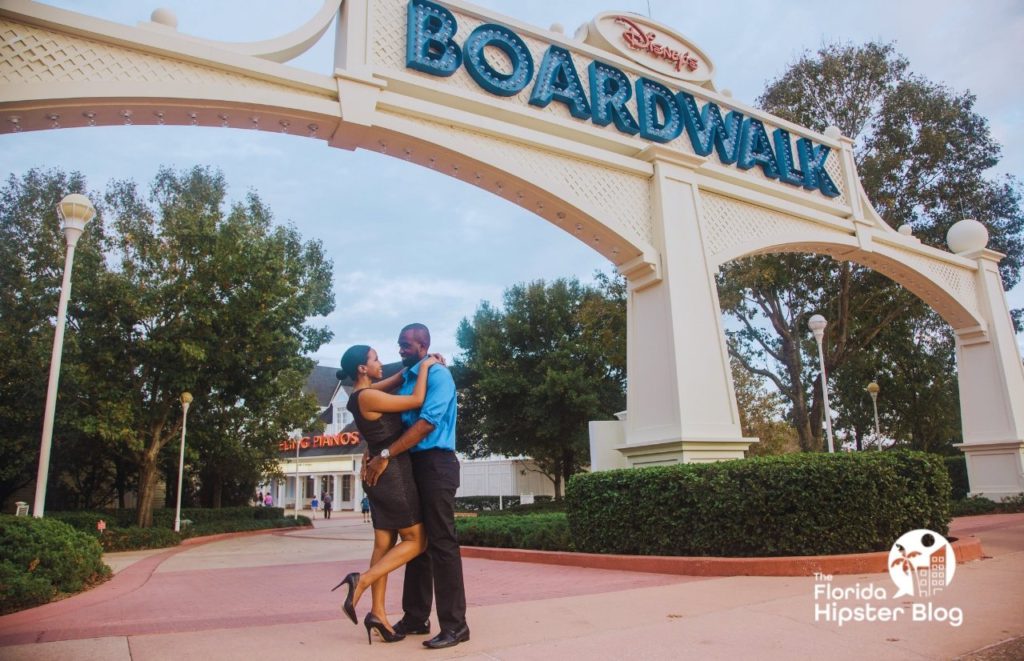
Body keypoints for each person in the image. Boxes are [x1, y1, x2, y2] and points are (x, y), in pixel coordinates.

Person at [363, 323, 468, 650]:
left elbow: (426, 424)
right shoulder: (409, 376)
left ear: (422, 345)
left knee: (441, 542)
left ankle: (455, 625)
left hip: (437, 463)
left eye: (406, 345)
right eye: (398, 345)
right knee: (417, 540)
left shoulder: (439, 376)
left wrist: (385, 454)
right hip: (410, 465)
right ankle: (416, 617)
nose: (400, 350)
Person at [333, 344, 438, 645]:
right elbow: (417, 398)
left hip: (376, 475)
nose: (381, 363)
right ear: (363, 369)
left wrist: (417, 363)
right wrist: (428, 367)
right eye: (376, 359)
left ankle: (378, 612)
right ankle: (361, 581)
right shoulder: (369, 396)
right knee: (417, 540)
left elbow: (397, 378)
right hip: (393, 474)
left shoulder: (358, 396)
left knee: (383, 543)